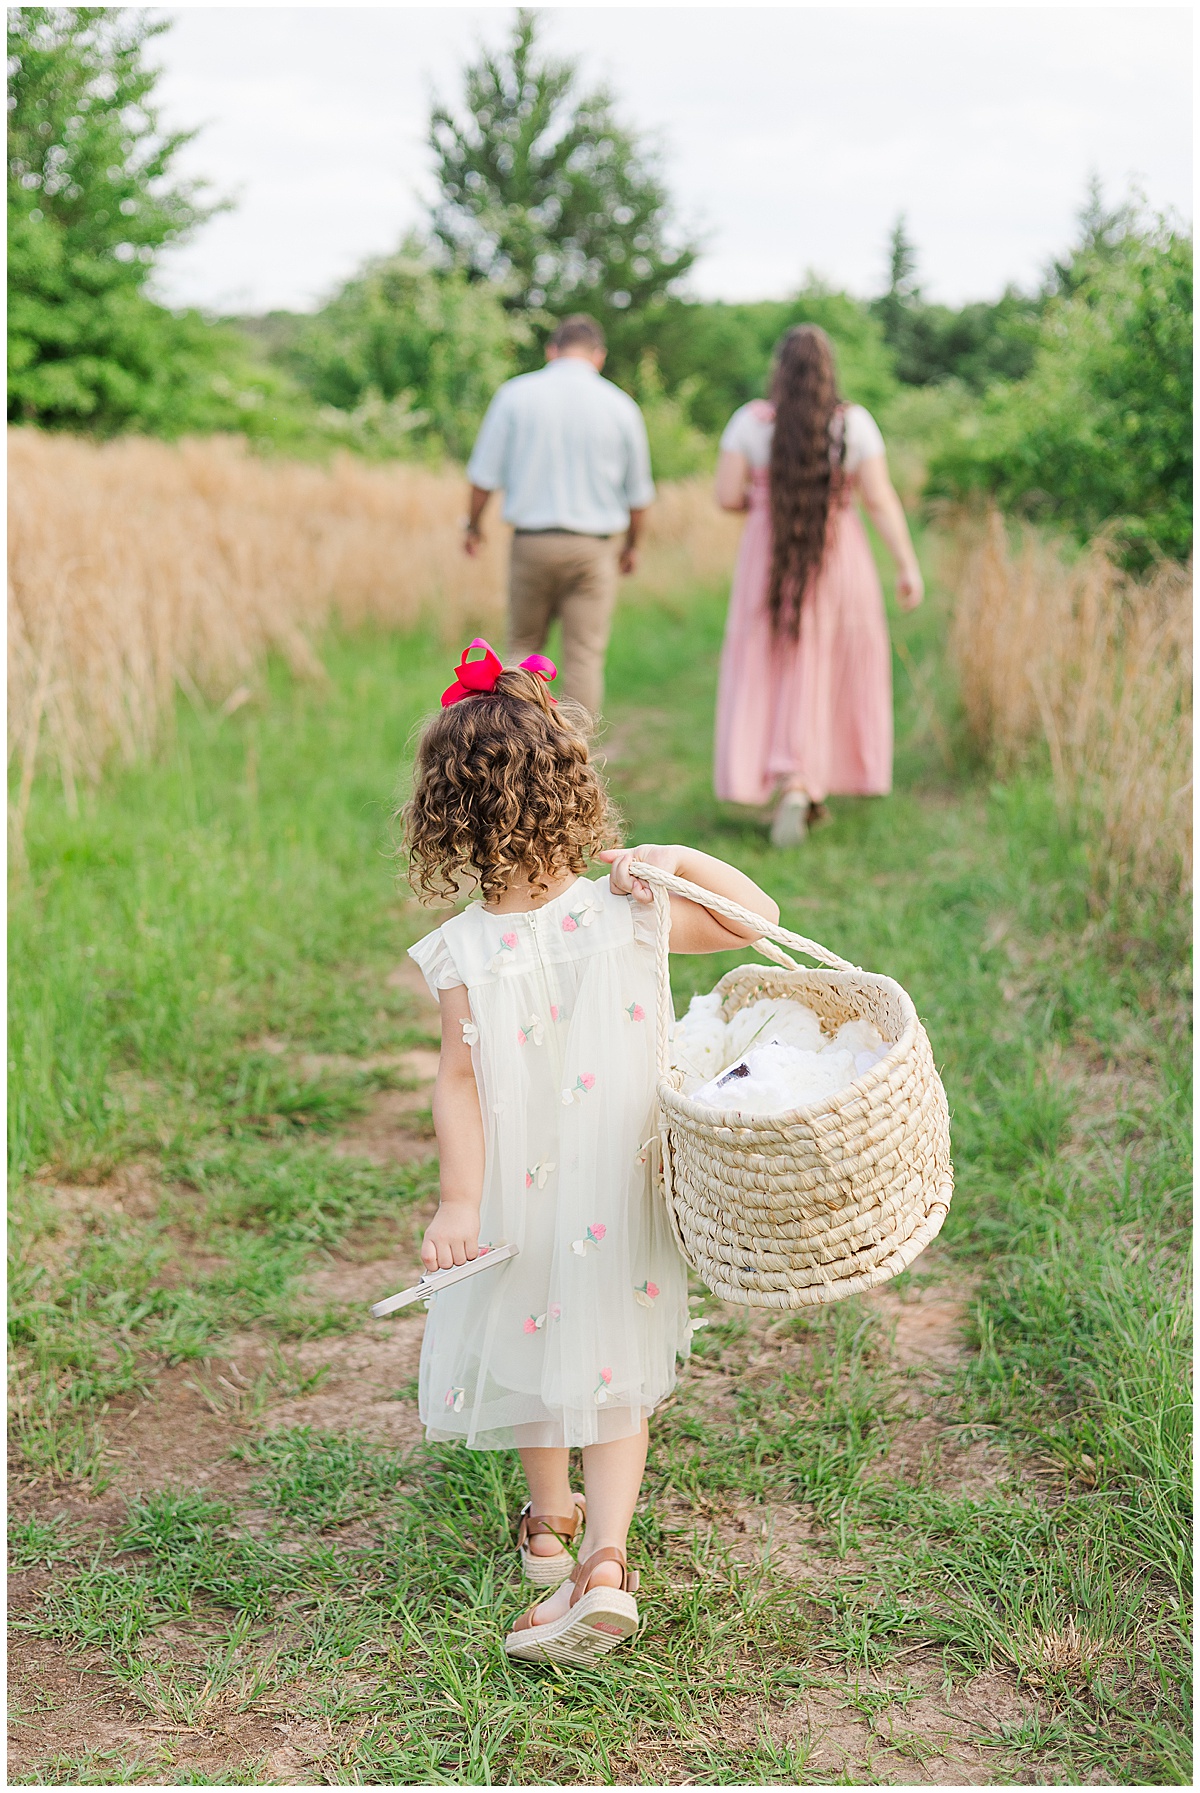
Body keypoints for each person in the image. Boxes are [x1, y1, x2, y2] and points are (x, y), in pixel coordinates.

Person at [402, 639, 778, 1665]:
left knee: (530, 1344)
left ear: (448, 817)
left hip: (522, 1188)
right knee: (609, 1361)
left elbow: (458, 1080)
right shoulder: (625, 909)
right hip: (620, 1187)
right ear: (571, 790)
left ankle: (551, 1520)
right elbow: (758, 913)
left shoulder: (470, 947)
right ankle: (604, 1555)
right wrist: (675, 862)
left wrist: (457, 1199)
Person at [713, 324, 924, 847]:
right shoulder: (854, 424)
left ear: (778, 371)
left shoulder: (750, 422)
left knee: (773, 664)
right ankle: (808, 781)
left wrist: (764, 502)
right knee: (827, 664)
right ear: (830, 370)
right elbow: (879, 498)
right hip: (839, 557)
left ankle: (787, 779)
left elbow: (725, 495)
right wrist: (906, 565)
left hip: (770, 554)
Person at [462, 315, 655, 720]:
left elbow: (483, 476)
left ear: (552, 351)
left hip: (532, 543)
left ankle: (510, 754)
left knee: (520, 650)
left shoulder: (515, 395)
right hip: (592, 548)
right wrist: (632, 547)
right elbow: (638, 495)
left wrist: (473, 525)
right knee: (584, 657)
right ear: (598, 356)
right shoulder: (621, 406)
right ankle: (575, 764)